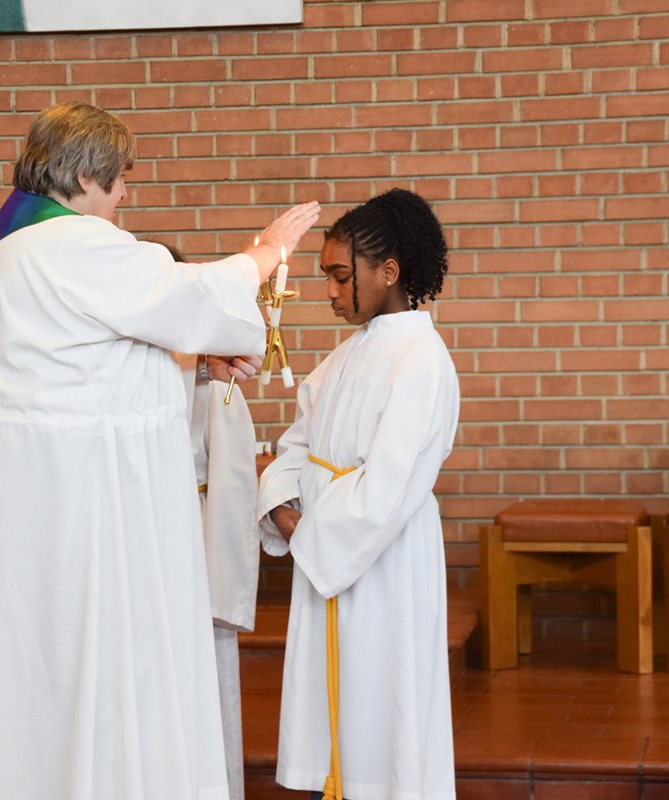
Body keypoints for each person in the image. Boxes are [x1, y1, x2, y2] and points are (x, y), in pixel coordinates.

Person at [0, 101, 319, 800]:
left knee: (38, 671)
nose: (125, 192)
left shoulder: (9, 252)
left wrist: (193, 365)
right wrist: (264, 251)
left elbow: (88, 369)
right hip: (86, 504)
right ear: (87, 175)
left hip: (28, 500)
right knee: (104, 659)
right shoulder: (77, 245)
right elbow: (191, 295)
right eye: (121, 177)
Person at [257, 189, 459, 800]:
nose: (329, 292)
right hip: (329, 552)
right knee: (333, 722)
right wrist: (279, 499)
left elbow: (389, 486)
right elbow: (298, 443)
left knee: (382, 707)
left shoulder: (420, 359)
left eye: (341, 277)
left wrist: (305, 529)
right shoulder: (347, 355)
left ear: (388, 271)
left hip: (382, 560)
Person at [167, 245, 262, 800]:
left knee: (197, 682)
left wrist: (223, 578)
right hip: (129, 549)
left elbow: (232, 476)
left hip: (191, 550)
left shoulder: (209, 374)